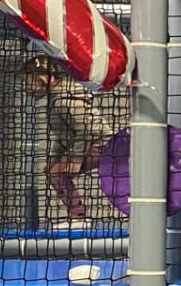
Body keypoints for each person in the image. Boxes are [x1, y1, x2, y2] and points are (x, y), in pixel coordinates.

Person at [22, 55, 113, 220]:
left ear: (42, 79)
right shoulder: (55, 98)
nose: (25, 87)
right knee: (53, 171)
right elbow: (63, 135)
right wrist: (54, 158)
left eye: (28, 81)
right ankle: (78, 215)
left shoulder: (63, 100)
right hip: (89, 144)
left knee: (57, 174)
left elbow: (85, 130)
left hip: (102, 145)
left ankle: (78, 216)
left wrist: (76, 160)